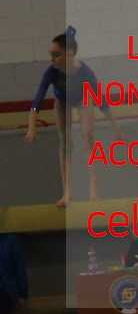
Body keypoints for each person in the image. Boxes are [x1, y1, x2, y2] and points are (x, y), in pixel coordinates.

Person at [25, 26, 121, 207]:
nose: (51, 59)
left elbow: (101, 101)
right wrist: (32, 126)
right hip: (63, 102)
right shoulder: (51, 71)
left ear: (69, 54)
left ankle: (94, 189)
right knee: (65, 143)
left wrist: (115, 127)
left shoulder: (85, 72)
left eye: (56, 55)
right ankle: (67, 193)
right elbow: (37, 100)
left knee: (88, 135)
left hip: (83, 99)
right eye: (50, 54)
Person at [0, 234, 28, 314]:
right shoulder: (10, 240)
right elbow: (20, 269)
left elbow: (20, 269)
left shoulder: (10, 240)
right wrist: (22, 294)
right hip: (7, 293)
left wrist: (22, 294)